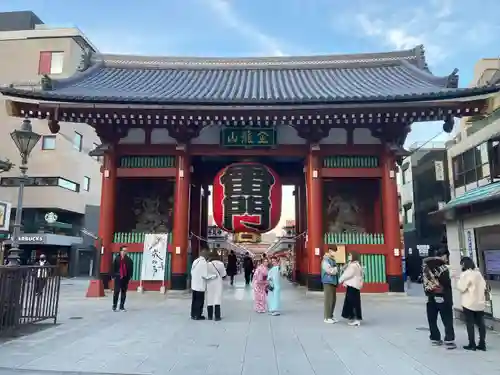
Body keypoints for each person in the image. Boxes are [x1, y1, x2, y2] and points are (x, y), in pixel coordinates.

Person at [422, 247, 456, 349]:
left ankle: (435, 338)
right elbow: (446, 282)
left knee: (432, 319)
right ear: (444, 255)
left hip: (431, 296)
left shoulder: (426, 266)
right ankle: (449, 339)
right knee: (447, 319)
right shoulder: (443, 268)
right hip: (443, 296)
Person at [456, 256, 487, 351]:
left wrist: (458, 279)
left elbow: (461, 287)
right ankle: (482, 343)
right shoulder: (478, 274)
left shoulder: (466, 274)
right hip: (480, 303)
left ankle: (472, 344)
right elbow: (484, 287)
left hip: (469, 303)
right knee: (481, 324)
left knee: (470, 324)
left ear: (464, 264)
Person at [339, 252, 364, 326]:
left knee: (352, 302)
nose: (349, 256)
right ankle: (354, 317)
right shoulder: (357, 265)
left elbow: (347, 274)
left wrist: (340, 280)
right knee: (355, 301)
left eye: (350, 255)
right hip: (356, 285)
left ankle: (355, 318)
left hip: (352, 285)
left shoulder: (353, 266)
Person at [190, 249, 215, 320]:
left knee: (194, 300)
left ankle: (193, 314)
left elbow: (191, 272)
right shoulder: (204, 263)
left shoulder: (195, 261)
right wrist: (213, 276)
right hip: (200, 286)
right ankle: (198, 315)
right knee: (200, 301)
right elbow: (205, 276)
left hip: (194, 285)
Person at [206, 252, 227, 321]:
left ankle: (209, 316)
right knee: (217, 298)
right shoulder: (221, 264)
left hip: (209, 283)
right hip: (218, 282)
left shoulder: (207, 264)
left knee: (210, 298)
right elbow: (224, 275)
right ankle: (217, 316)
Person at [111, 246, 134, 312]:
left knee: (123, 292)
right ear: (120, 251)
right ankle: (114, 306)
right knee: (116, 291)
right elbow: (113, 267)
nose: (124, 252)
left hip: (125, 277)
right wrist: (113, 276)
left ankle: (122, 306)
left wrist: (130, 277)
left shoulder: (129, 260)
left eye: (126, 251)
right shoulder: (117, 258)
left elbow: (131, 269)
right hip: (118, 277)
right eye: (123, 250)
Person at [321, 246, 339, 323]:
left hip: (333, 281)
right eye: (334, 251)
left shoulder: (332, 260)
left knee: (333, 300)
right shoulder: (326, 260)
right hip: (328, 281)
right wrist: (336, 269)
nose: (335, 253)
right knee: (328, 300)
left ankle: (331, 316)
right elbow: (329, 270)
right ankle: (327, 317)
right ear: (330, 251)